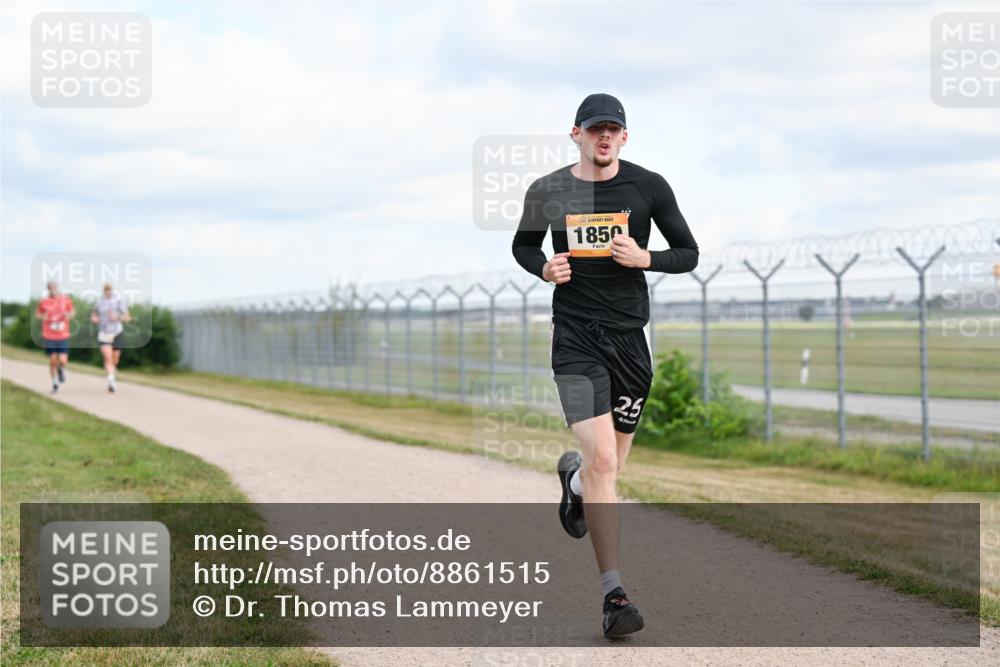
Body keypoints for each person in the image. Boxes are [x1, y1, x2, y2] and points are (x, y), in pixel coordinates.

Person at [512, 93, 699, 639]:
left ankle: (573, 482)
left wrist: (649, 258)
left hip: (630, 343)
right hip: (573, 341)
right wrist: (543, 268)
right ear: (576, 133)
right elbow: (523, 246)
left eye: (613, 130)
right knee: (604, 463)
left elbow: (688, 252)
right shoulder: (547, 191)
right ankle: (614, 596)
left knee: (608, 469)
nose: (604, 138)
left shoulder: (648, 187)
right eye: (595, 129)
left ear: (624, 137)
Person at [91, 283, 131, 393]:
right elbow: (94, 315)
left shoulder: (118, 301)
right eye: (106, 289)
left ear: (112, 290)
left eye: (110, 289)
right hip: (104, 333)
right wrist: (95, 319)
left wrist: (117, 317)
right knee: (108, 357)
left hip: (117, 332)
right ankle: (111, 381)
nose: (108, 291)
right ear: (103, 291)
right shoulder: (99, 302)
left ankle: (111, 373)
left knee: (115, 358)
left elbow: (128, 317)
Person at [35, 282, 74, 393]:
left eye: (54, 288)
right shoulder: (43, 301)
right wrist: (44, 316)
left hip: (63, 334)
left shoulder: (65, 299)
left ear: (57, 288)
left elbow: (72, 312)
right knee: (52, 359)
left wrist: (68, 315)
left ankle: (61, 369)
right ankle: (55, 383)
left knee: (63, 360)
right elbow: (38, 315)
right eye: (50, 288)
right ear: (48, 289)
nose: (53, 290)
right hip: (49, 335)